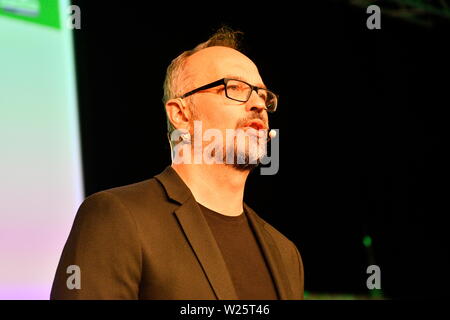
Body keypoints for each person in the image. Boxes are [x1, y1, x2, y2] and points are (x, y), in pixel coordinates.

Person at [50, 27, 304, 300]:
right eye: (235, 88)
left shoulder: (285, 253)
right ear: (181, 115)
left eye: (263, 95)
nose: (258, 104)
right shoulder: (117, 217)